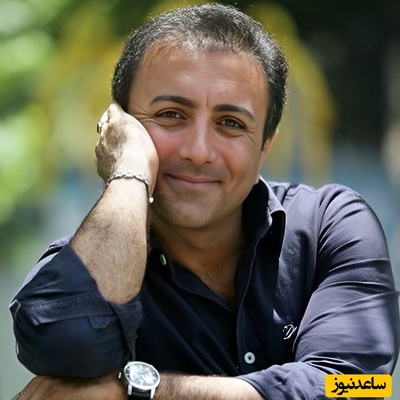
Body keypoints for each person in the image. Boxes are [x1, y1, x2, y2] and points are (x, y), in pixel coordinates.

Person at [10, 3, 399, 399]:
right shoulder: (83, 270)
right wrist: (129, 167)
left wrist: (132, 391)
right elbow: (66, 345)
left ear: (265, 145)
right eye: (171, 114)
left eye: (231, 123)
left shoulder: (329, 226)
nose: (198, 151)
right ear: (120, 126)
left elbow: (361, 387)